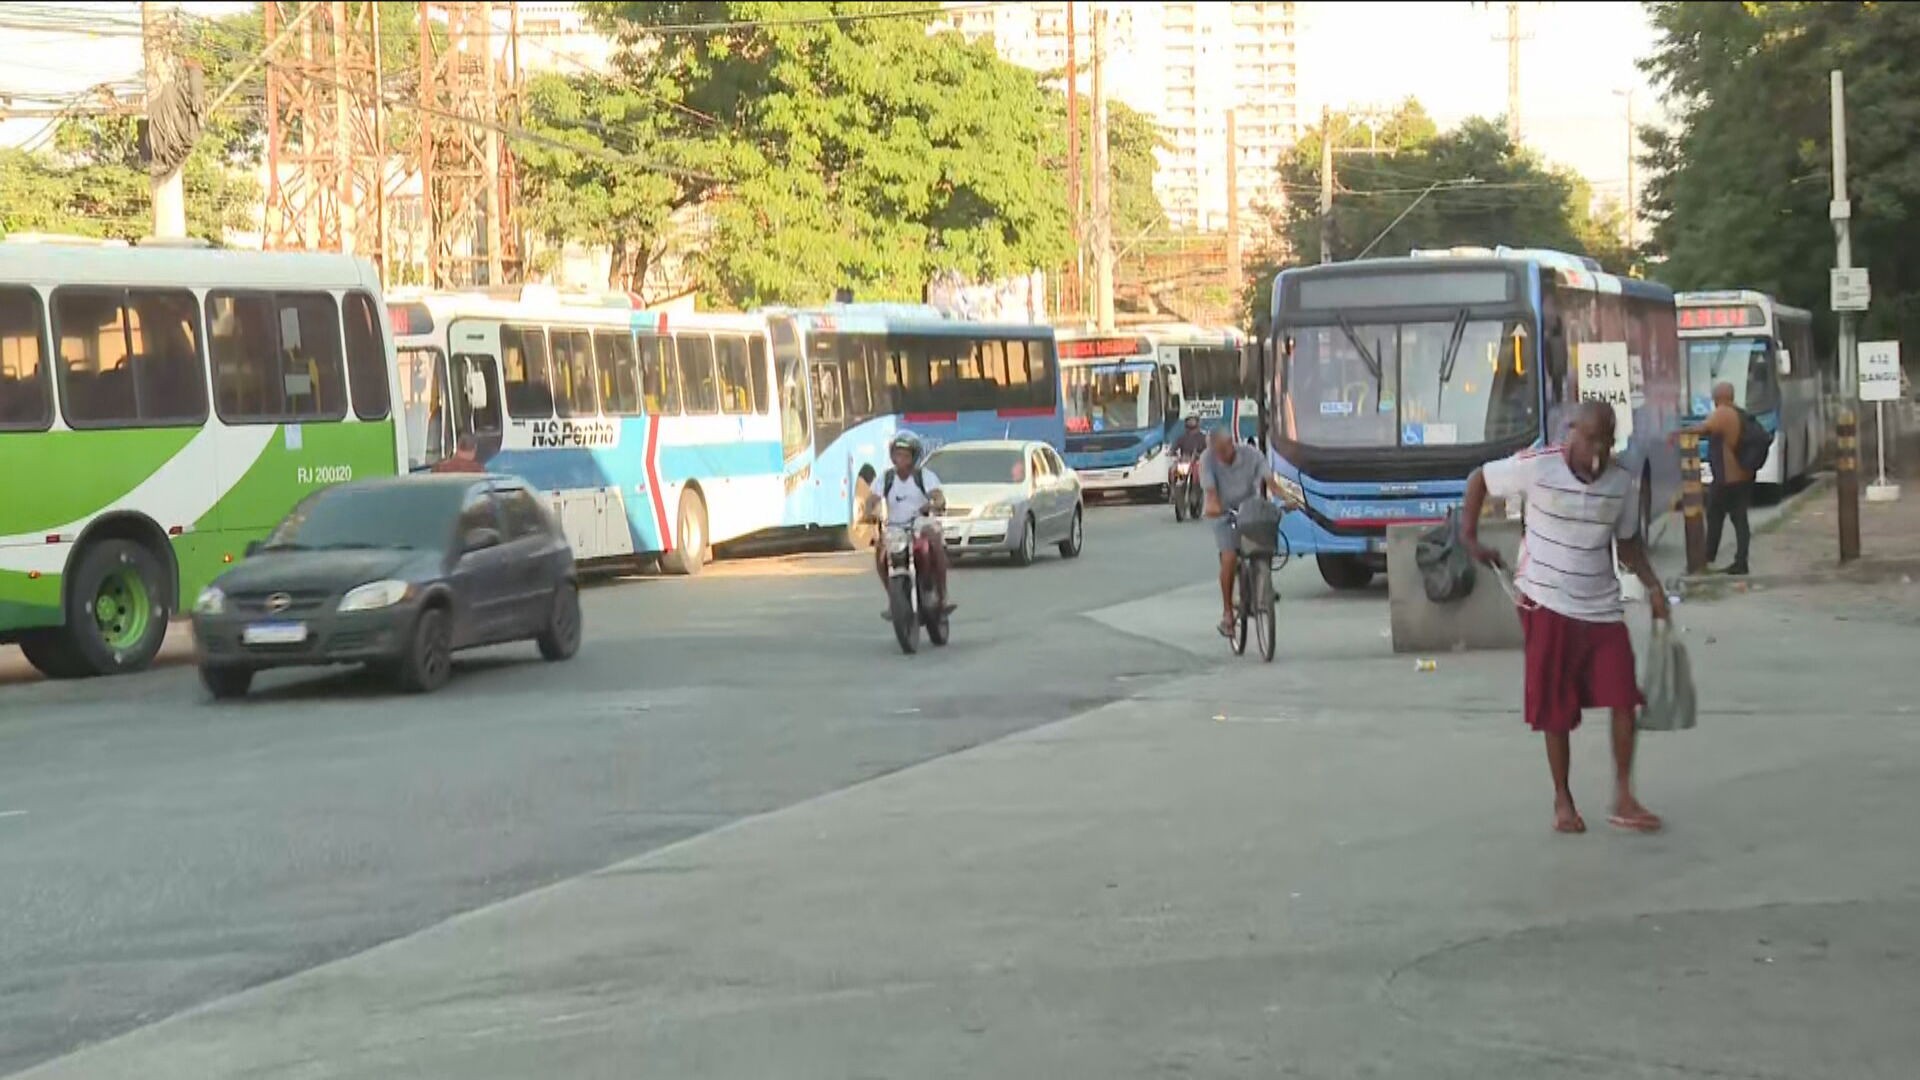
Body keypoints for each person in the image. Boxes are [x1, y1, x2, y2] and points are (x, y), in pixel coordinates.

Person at [1460, 400, 1670, 835]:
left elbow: (1628, 547)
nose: (1596, 450)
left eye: (1605, 441)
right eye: (1590, 438)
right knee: (1555, 708)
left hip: (1601, 608)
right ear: (1570, 432)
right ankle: (1563, 799)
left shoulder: (1621, 485)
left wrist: (1653, 587)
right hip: (1547, 604)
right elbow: (1480, 478)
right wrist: (1470, 538)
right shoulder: (1538, 467)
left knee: (1624, 695)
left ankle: (1624, 796)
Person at [1200, 426, 1289, 638]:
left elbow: (1271, 483)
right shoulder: (1208, 460)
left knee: (1264, 542)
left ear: (1232, 443)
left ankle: (1263, 586)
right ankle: (1228, 613)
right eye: (1217, 452)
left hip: (1250, 510)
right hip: (1225, 513)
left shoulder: (1251, 454)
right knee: (1229, 557)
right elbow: (1211, 494)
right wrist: (1213, 508)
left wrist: (1286, 499)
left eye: (1224, 450)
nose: (1221, 456)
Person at [864, 431, 951, 610]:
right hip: (895, 527)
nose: (901, 459)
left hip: (920, 523)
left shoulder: (924, 476)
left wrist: (935, 504)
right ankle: (893, 599)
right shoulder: (886, 478)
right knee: (880, 551)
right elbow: (872, 498)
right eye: (897, 454)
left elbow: (938, 496)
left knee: (933, 541)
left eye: (905, 455)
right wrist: (869, 512)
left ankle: (942, 595)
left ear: (914, 456)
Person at [1680, 381, 1752, 575]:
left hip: (1727, 477)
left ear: (1719, 397)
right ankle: (1739, 560)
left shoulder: (1722, 413)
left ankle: (1709, 556)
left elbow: (1702, 429)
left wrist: (1680, 433)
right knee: (1737, 518)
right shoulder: (1737, 412)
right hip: (1741, 475)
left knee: (1715, 513)